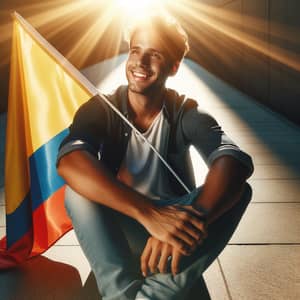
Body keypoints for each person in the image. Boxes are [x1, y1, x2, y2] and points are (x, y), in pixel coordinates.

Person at [56, 14, 254, 300]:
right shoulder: (101, 109)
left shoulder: (185, 112)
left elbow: (234, 161)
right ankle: (129, 292)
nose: (140, 62)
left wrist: (188, 217)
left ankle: (148, 295)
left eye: (154, 55)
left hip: (175, 228)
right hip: (122, 220)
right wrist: (150, 214)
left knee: (238, 192)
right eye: (135, 51)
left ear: (173, 67)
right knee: (77, 191)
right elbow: (70, 161)